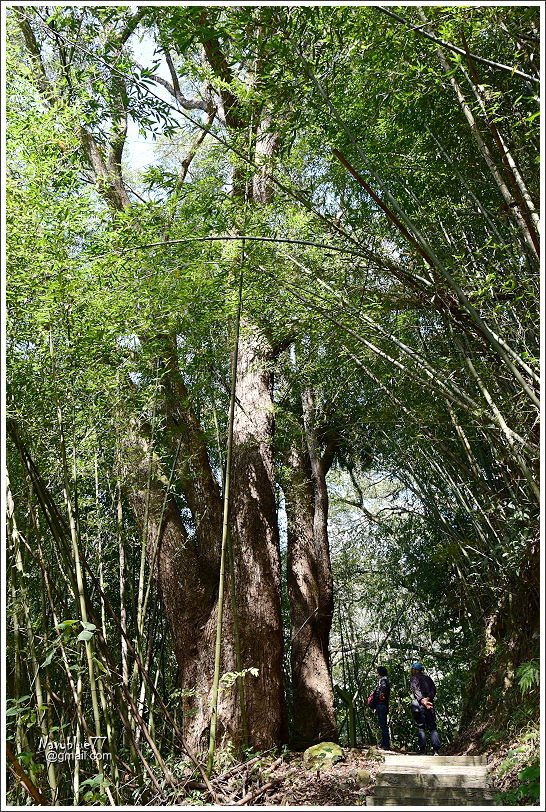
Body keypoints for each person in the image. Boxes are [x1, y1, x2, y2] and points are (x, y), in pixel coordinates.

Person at [410, 662, 441, 755]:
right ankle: (436, 750)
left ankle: (423, 750)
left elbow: (416, 691)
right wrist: (428, 699)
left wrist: (423, 701)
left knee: (421, 727)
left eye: (412, 669)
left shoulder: (414, 679)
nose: (412, 671)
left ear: (416, 670)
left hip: (420, 706)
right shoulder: (428, 679)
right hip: (430, 705)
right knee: (432, 727)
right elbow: (433, 690)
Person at [373, 665, 391, 750]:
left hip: (382, 705)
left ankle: (386, 744)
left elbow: (382, 691)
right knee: (383, 725)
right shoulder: (384, 680)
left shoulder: (383, 681)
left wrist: (380, 697)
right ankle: (384, 743)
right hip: (383, 705)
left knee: (383, 725)